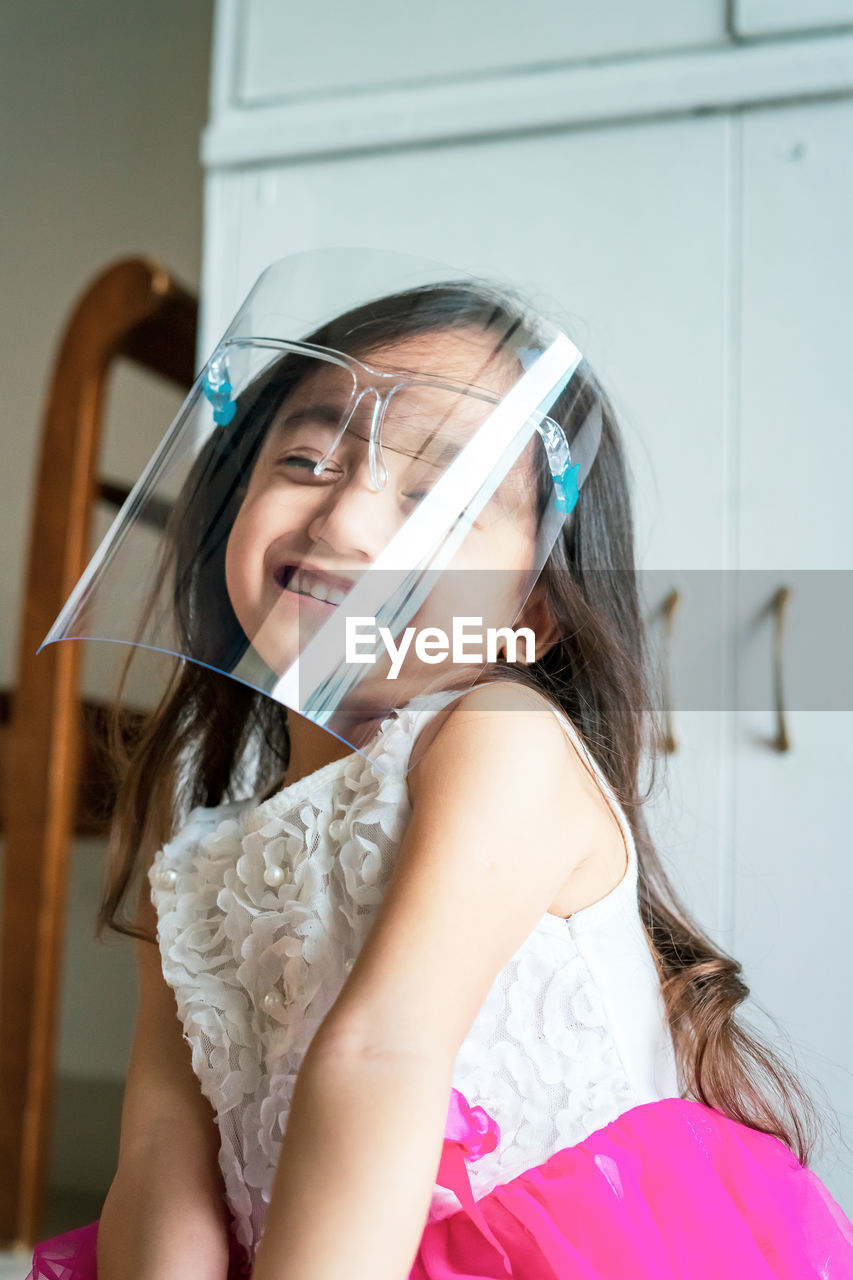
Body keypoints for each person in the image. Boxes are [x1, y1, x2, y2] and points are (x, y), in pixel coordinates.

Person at [28, 249, 853, 1279]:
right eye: (306, 460)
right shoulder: (191, 835)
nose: (345, 516)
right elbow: (163, 1141)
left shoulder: (500, 739)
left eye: (440, 499)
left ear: (536, 609)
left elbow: (382, 1052)